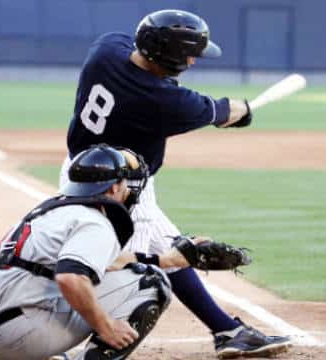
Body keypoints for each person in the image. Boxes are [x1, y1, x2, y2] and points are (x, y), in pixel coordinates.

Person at [59, 9, 291, 359]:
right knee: (136, 274)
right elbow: (224, 111)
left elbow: (144, 65)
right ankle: (94, 349)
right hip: (122, 191)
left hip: (82, 169)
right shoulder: (164, 101)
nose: (194, 60)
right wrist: (244, 110)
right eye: (189, 54)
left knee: (171, 246)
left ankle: (228, 331)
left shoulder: (107, 49)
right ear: (169, 57)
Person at [0, 144, 175, 360]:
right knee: (153, 283)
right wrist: (106, 326)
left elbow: (107, 263)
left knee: (68, 283)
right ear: (114, 187)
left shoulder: (52, 211)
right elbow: (70, 278)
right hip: (20, 334)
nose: (127, 190)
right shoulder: (94, 222)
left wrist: (167, 259)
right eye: (125, 183)